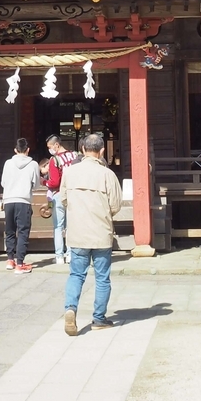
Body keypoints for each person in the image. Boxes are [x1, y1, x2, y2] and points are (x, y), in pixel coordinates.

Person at [60, 132, 122, 335]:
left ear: (82, 149)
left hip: (78, 232)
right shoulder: (108, 174)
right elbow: (115, 205)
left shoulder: (69, 172)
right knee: (102, 277)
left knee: (76, 274)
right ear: (102, 151)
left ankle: (70, 309)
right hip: (101, 231)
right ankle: (99, 318)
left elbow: (63, 199)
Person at [0, 137, 40, 274]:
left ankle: (10, 259)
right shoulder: (33, 164)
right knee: (23, 232)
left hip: (9, 200)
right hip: (24, 200)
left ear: (15, 150)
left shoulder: (7, 163)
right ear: (28, 150)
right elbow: (36, 185)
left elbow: (3, 183)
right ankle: (20, 262)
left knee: (10, 230)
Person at [43, 134, 81, 265]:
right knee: (71, 226)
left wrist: (44, 182)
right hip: (74, 194)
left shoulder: (55, 160)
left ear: (56, 145)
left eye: (50, 147)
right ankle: (70, 254)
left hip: (59, 194)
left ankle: (59, 256)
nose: (49, 150)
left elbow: (54, 182)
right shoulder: (75, 156)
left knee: (58, 227)